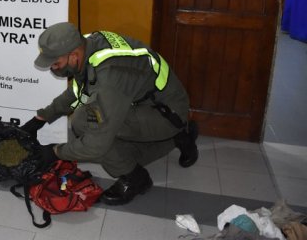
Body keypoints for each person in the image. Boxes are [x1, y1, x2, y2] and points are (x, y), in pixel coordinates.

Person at [21, 22, 198, 205]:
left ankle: (137, 179)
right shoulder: (87, 46)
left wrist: (55, 152)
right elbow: (77, 92)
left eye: (56, 64)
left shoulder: (110, 75)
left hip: (168, 113)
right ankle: (180, 137)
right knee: (84, 122)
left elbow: (95, 145)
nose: (53, 69)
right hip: (148, 104)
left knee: (95, 137)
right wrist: (41, 118)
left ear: (74, 55)